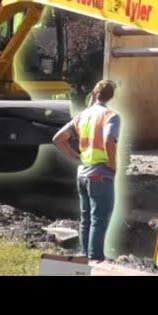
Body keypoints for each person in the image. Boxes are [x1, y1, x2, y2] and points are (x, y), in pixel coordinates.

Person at [52, 80, 120, 262]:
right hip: (100, 173)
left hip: (82, 173)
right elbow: (108, 141)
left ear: (94, 93)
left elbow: (59, 138)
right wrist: (113, 165)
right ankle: (96, 259)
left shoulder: (83, 116)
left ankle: (84, 257)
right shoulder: (110, 116)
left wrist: (76, 157)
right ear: (111, 96)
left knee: (86, 218)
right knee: (99, 218)